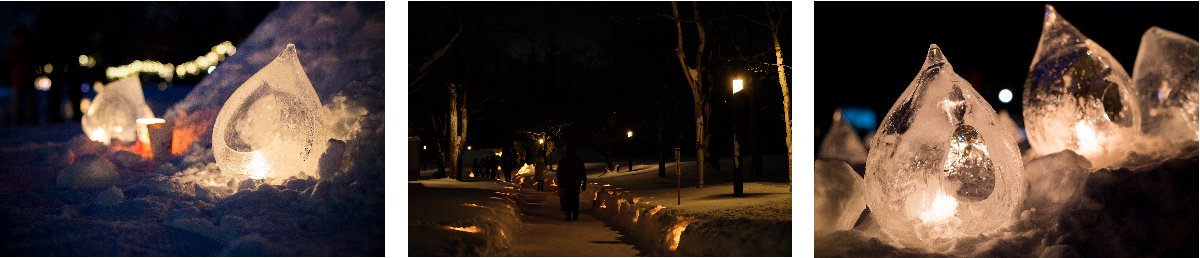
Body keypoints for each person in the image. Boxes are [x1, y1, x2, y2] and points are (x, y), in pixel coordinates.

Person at [556, 146, 587, 221]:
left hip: (566, 184)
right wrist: (584, 182)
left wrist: (561, 182)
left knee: (567, 199)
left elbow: (559, 173)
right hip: (576, 184)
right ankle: (575, 215)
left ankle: (568, 214)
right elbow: (583, 173)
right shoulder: (578, 161)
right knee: (575, 199)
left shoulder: (564, 162)